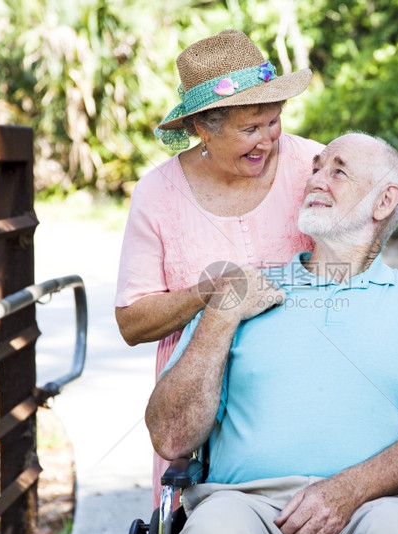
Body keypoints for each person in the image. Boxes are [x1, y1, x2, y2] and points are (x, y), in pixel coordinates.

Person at [146, 133, 398, 534]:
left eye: (338, 170)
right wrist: (221, 317)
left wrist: (347, 491)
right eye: (316, 168)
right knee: (213, 532)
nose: (316, 180)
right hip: (246, 508)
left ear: (384, 202)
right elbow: (171, 437)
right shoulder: (243, 289)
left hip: (378, 508)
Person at [113, 29, 324, 504]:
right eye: (250, 129)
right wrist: (206, 294)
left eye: (274, 122)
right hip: (195, 414)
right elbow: (131, 321)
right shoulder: (157, 194)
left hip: (305, 393)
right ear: (203, 127)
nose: (267, 141)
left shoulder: (314, 163)